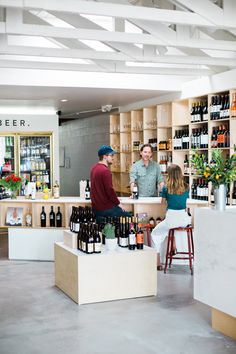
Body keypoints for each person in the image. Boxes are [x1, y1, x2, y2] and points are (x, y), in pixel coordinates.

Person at [151, 164, 191, 270]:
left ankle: (158, 262)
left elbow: (162, 202)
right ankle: (173, 246)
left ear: (169, 175)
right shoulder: (187, 187)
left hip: (171, 219)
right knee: (169, 228)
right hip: (184, 220)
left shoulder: (166, 188)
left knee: (155, 233)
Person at [90, 145, 131, 221]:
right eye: (111, 155)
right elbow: (109, 190)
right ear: (105, 156)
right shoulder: (105, 171)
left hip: (96, 209)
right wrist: (119, 204)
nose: (113, 157)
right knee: (130, 218)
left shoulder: (94, 168)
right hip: (106, 209)